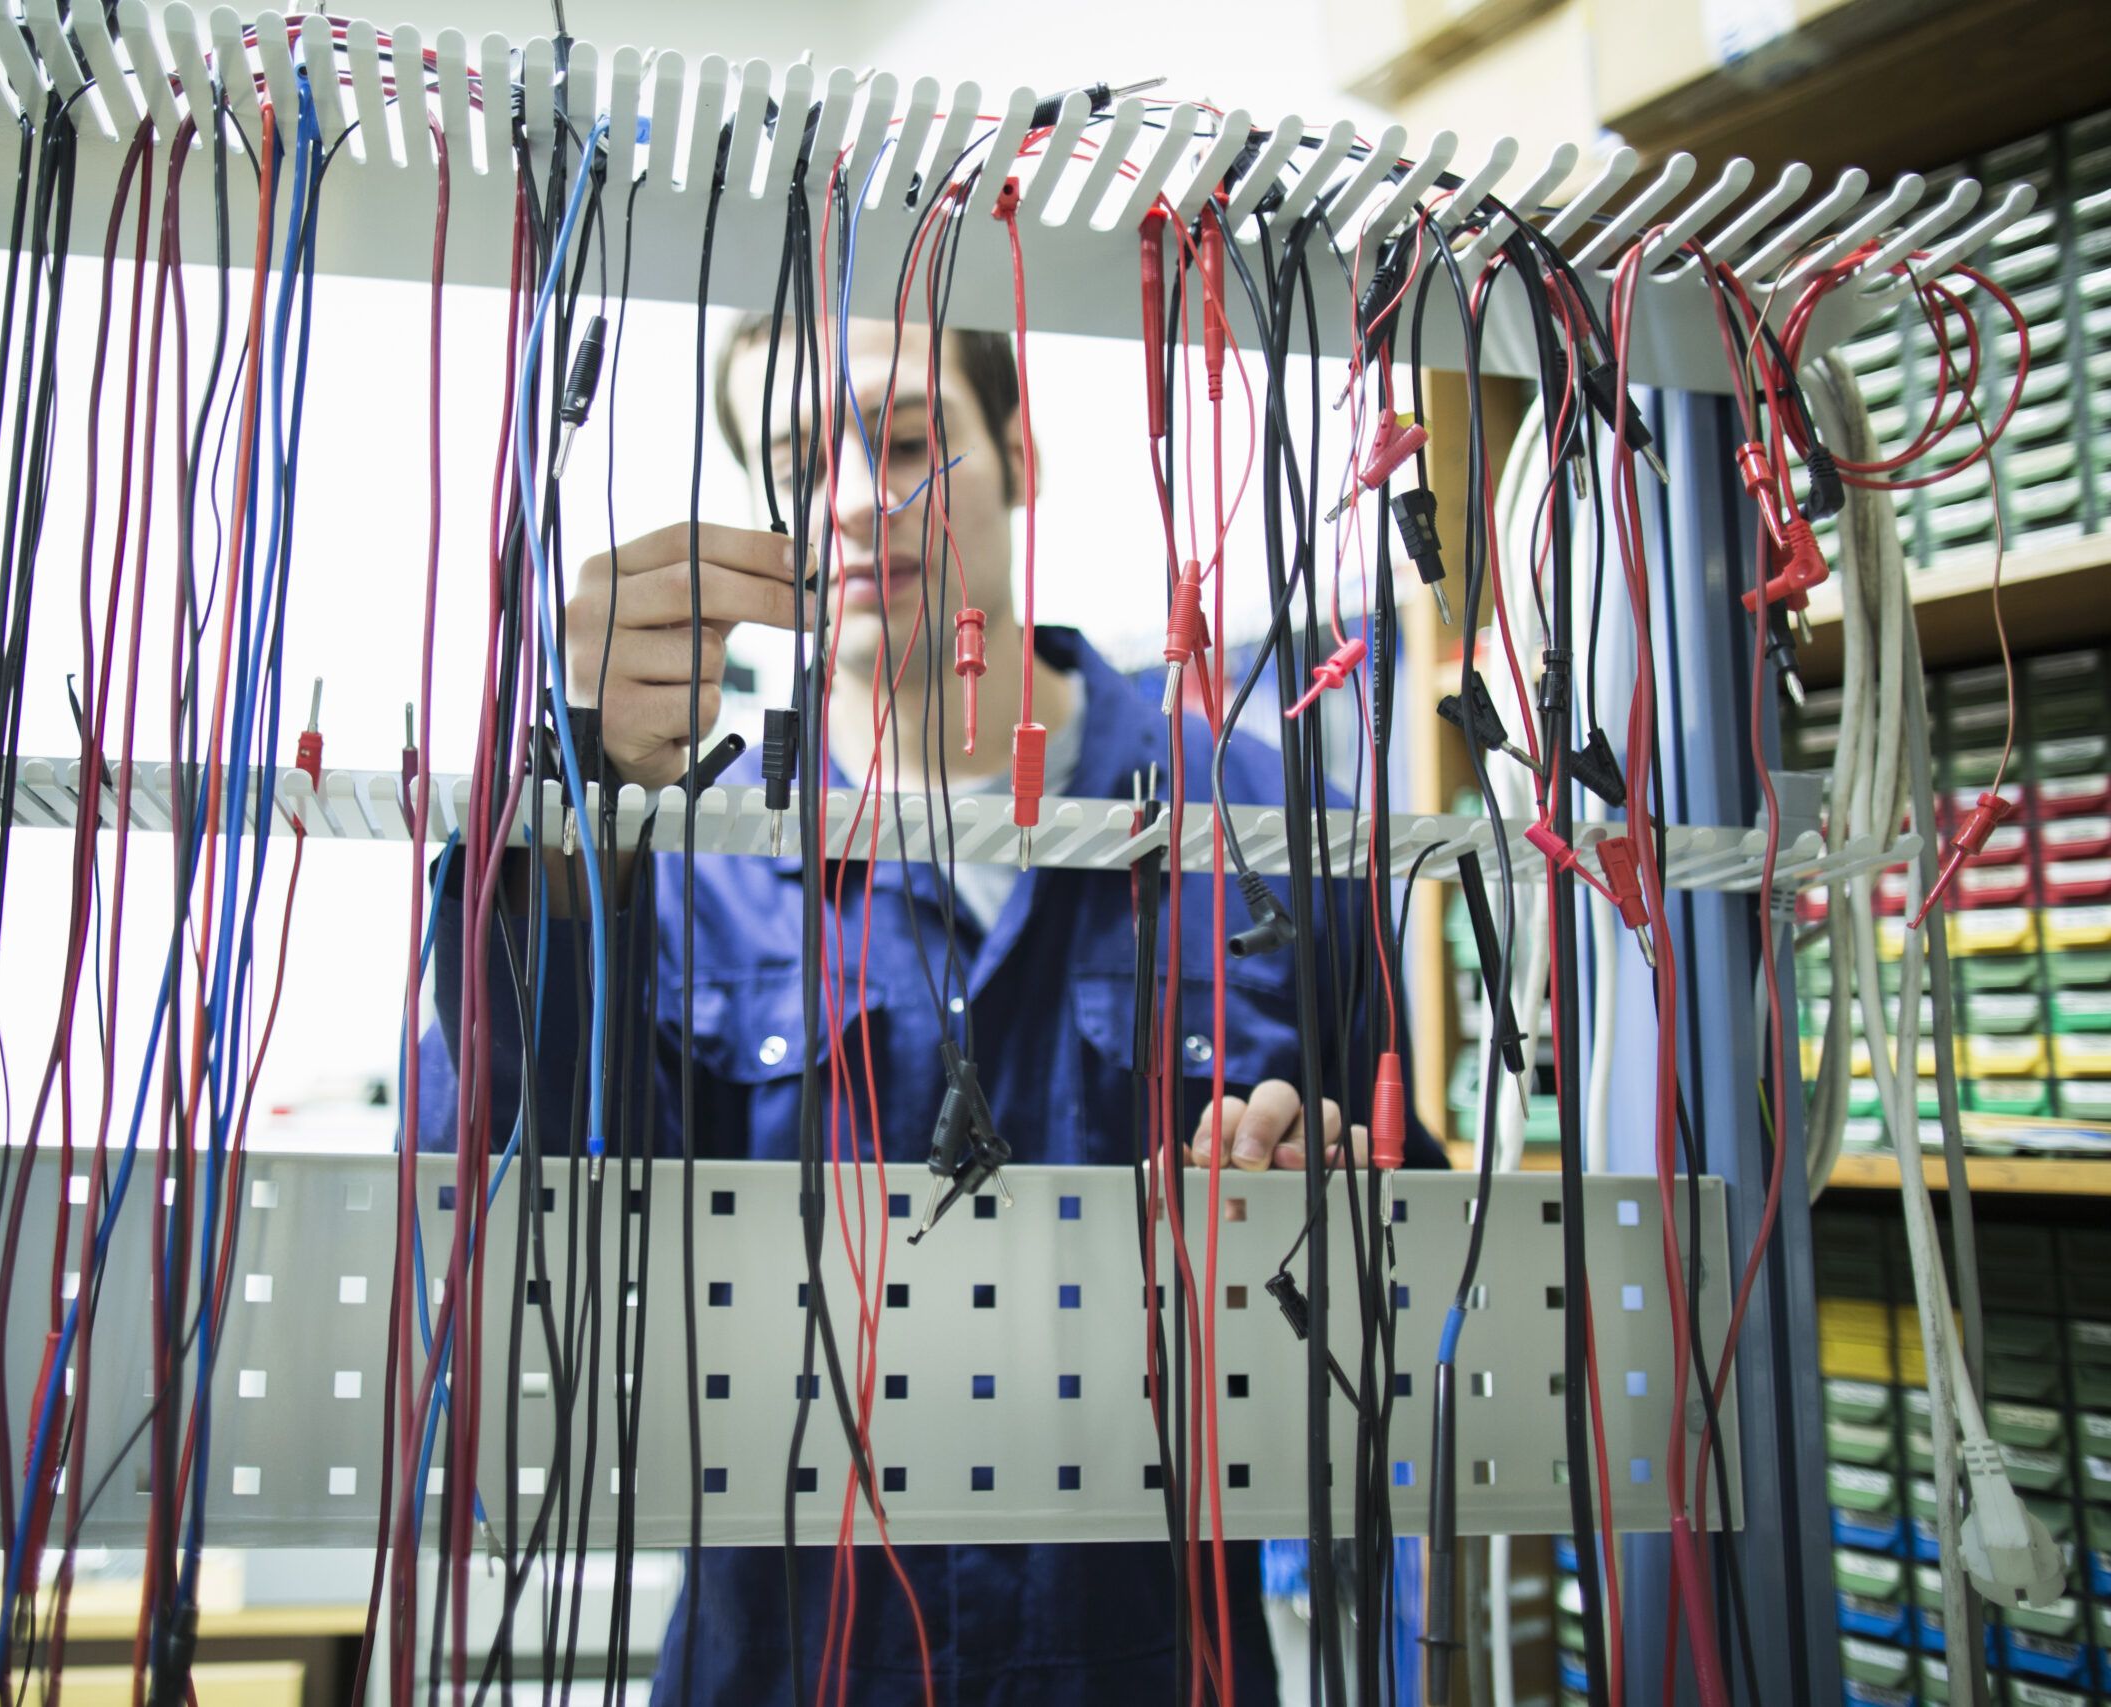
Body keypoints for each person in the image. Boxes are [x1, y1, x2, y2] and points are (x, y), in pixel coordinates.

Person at [421, 315, 1443, 1705]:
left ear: (1016, 454)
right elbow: (505, 1210)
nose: (850, 495)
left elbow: (1417, 1260)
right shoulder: (671, 853)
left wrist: (1315, 1200)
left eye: (903, 442)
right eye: (796, 462)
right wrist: (549, 814)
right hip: (785, 1669)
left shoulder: (1258, 814)